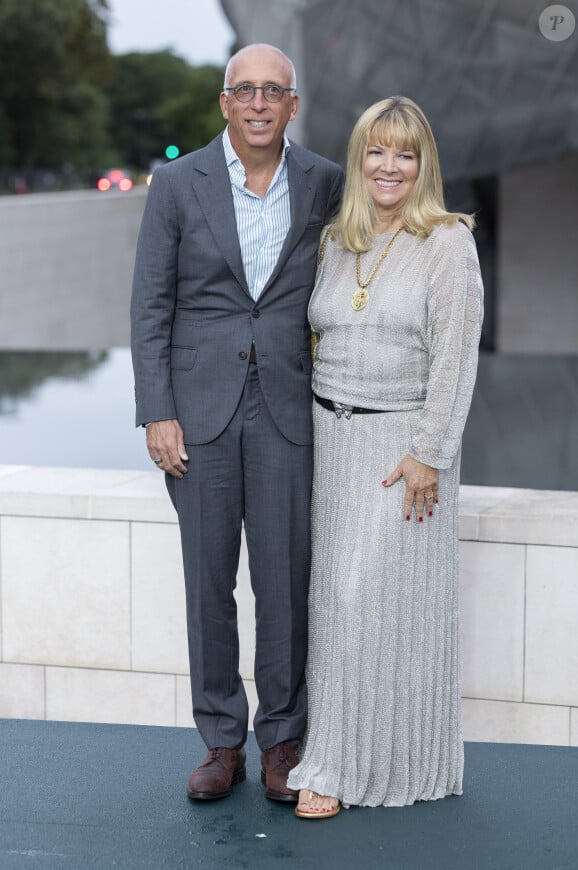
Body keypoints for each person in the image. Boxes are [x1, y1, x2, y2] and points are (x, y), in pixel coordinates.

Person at [130, 44, 343, 802]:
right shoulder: (176, 183)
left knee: (286, 584)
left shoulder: (324, 181)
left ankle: (283, 741)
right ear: (225, 103)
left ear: (292, 106)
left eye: (274, 91)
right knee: (207, 584)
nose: (259, 102)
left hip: (290, 411)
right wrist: (156, 409)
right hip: (199, 415)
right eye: (245, 90)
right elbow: (151, 304)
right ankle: (222, 742)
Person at [287, 96, 483, 818]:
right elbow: (317, 339)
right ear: (359, 159)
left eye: (405, 153)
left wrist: (429, 453)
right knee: (334, 609)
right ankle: (353, 751)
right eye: (377, 151)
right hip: (331, 445)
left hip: (404, 453)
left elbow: (456, 360)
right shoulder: (340, 239)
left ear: (423, 163)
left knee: (375, 606)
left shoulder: (448, 244)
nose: (389, 166)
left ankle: (341, 766)